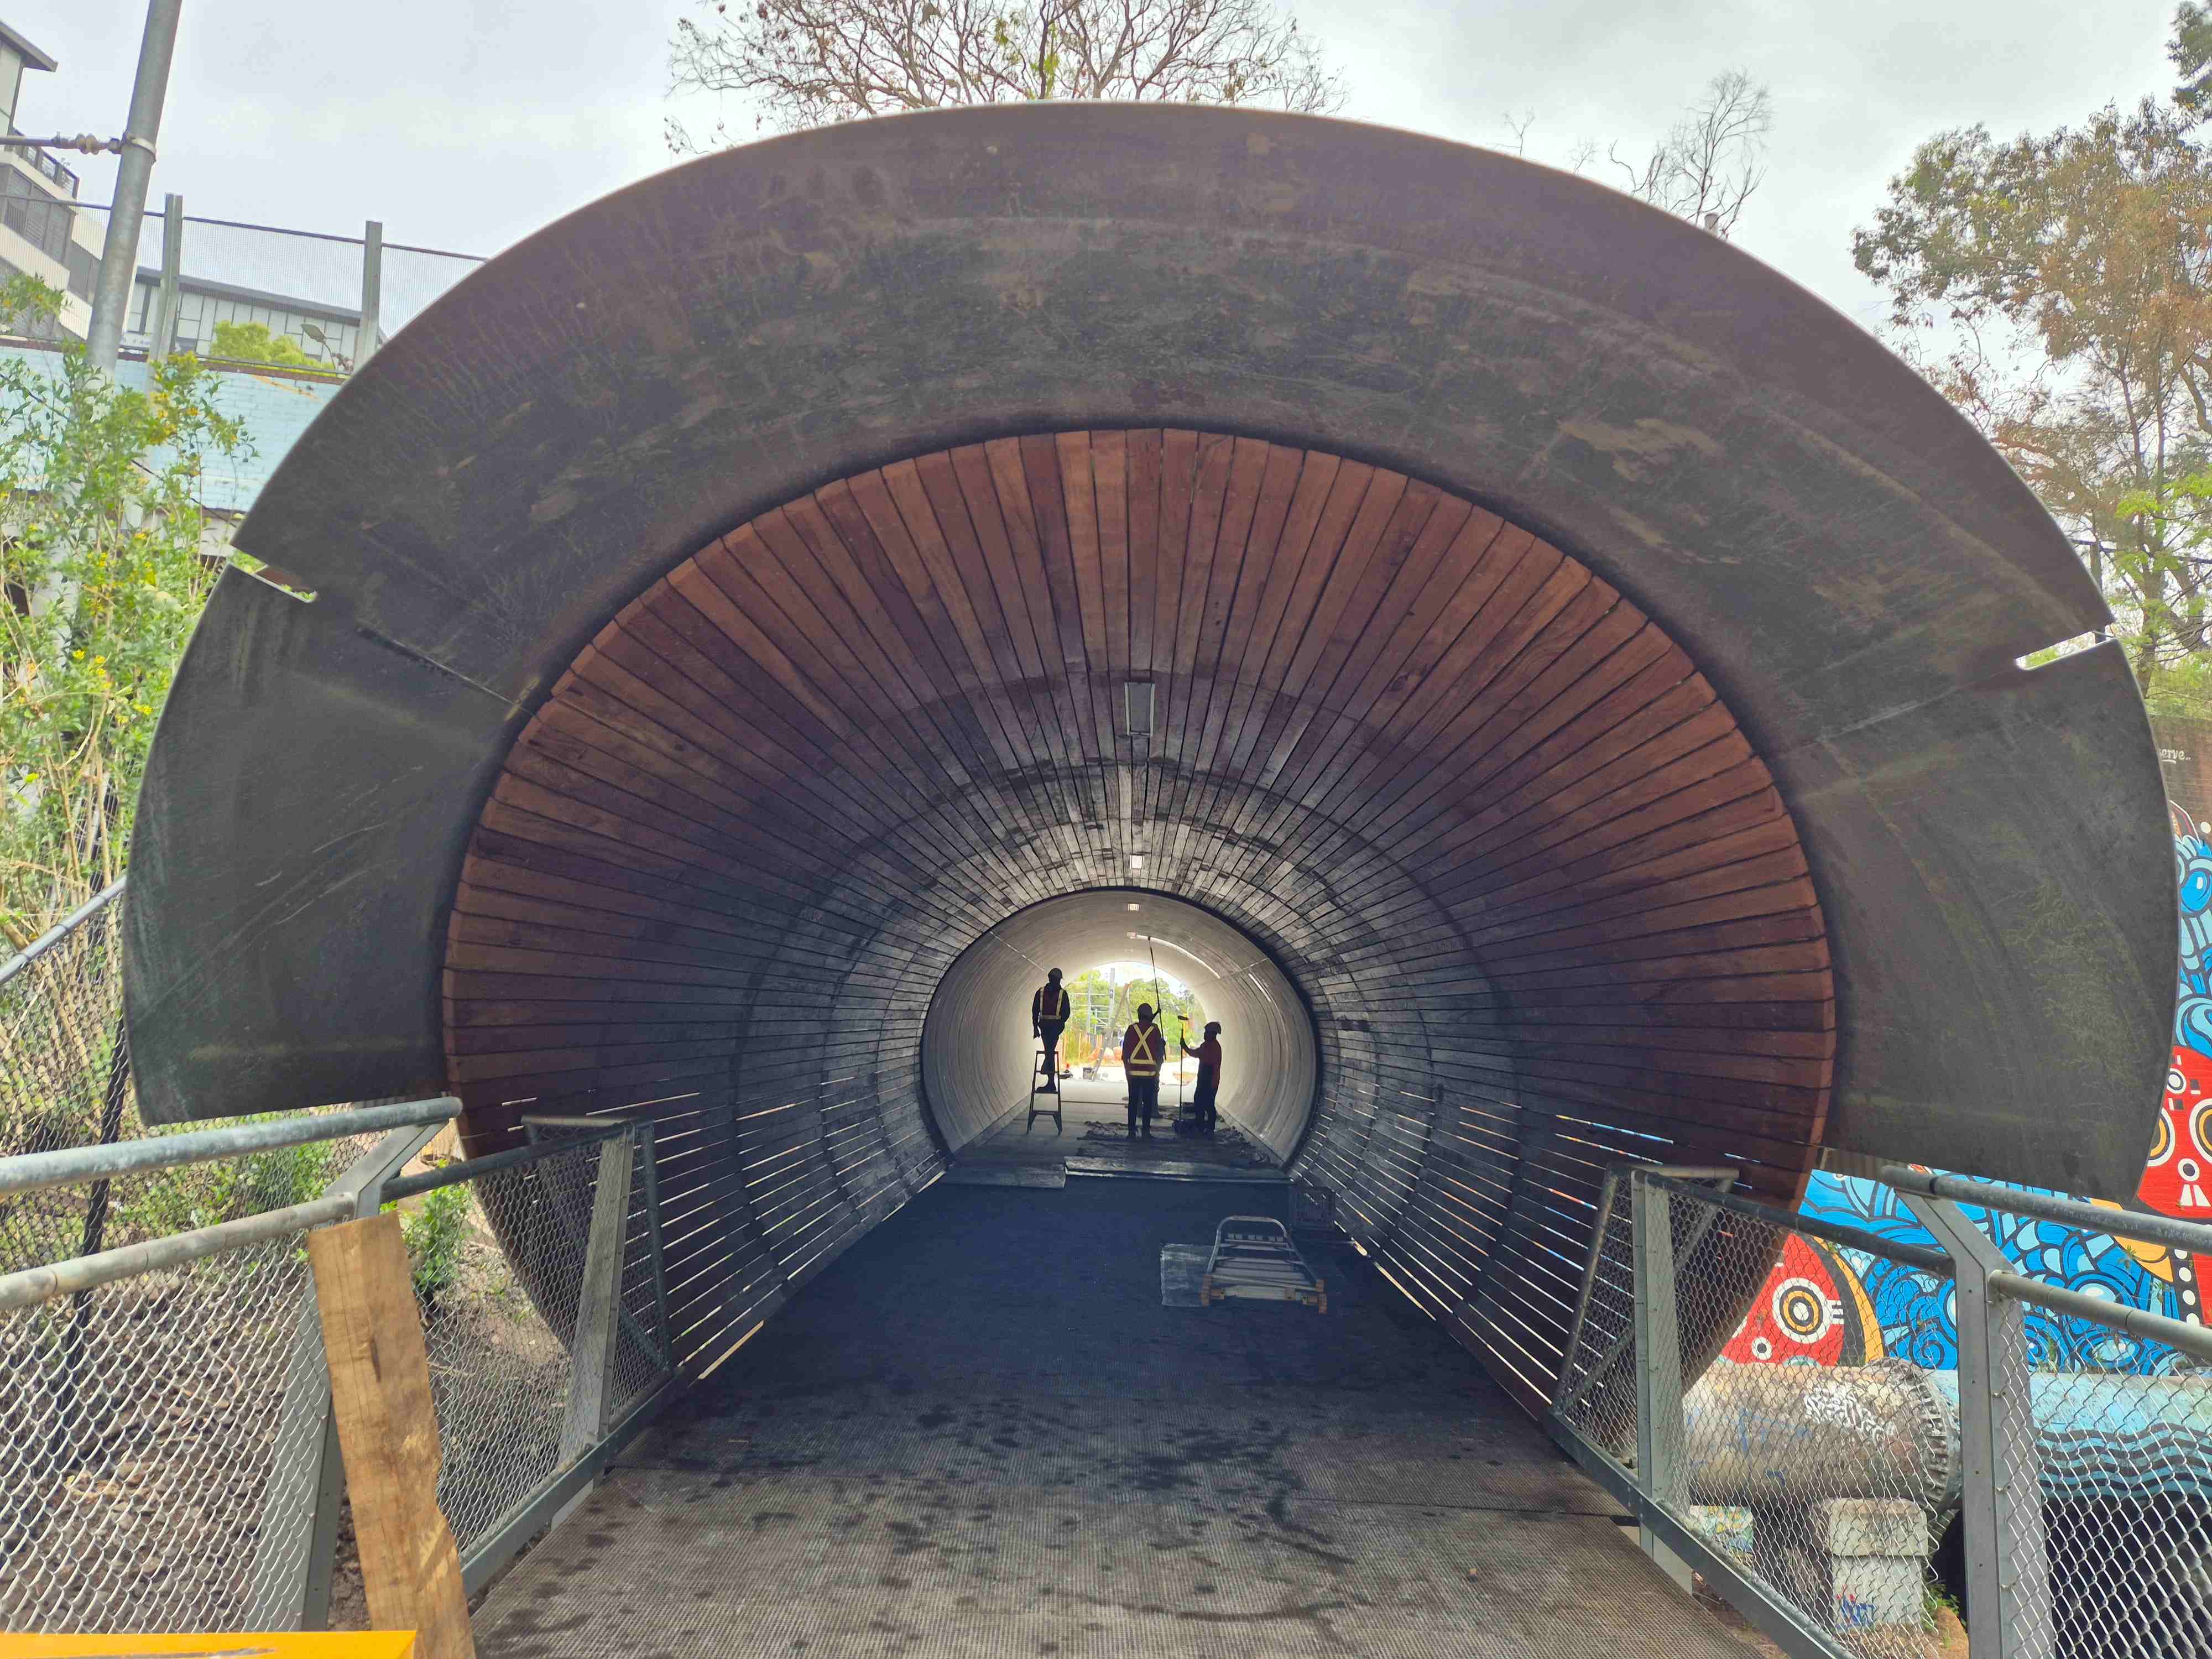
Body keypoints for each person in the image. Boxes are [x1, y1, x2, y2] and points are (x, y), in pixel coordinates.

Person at [1121, 1001, 1165, 1138]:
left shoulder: (1131, 1029)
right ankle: (1146, 1131)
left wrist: (1128, 1071)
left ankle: (1131, 1132)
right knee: (1148, 1103)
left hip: (1133, 1073)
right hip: (1150, 1074)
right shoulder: (1155, 1030)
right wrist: (1158, 1071)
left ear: (1139, 1015)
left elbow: (1125, 1053)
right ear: (1150, 1016)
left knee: (1133, 1102)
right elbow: (1159, 1054)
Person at [1031, 969, 1071, 1093]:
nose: (1058, 982)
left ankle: (1050, 1080)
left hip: (1056, 1027)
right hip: (1045, 1027)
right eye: (1057, 980)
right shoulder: (1041, 992)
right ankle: (1050, 1081)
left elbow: (1066, 1013)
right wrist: (1035, 1028)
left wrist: (1059, 1025)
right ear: (1051, 979)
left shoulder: (1062, 994)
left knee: (1049, 1050)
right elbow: (1035, 1010)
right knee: (1050, 1051)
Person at [1181, 1020, 1224, 1137]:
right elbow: (1197, 1053)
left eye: (1207, 1032)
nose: (1205, 1034)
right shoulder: (1206, 1045)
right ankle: (1200, 1125)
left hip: (1210, 1082)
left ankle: (1209, 1128)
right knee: (1199, 1101)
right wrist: (1185, 1047)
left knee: (1208, 1105)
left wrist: (1185, 1048)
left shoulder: (1214, 1048)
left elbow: (1199, 1054)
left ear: (1213, 1034)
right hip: (1204, 1080)